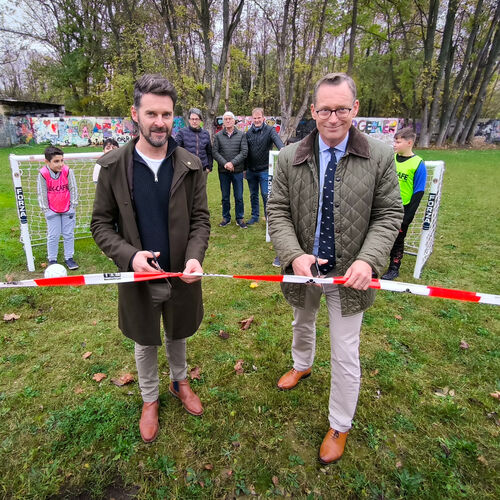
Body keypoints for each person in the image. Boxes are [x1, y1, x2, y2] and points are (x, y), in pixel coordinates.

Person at [267, 72, 403, 464]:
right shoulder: (292, 155)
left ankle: (340, 424)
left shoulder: (378, 155)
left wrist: (369, 260)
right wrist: (295, 254)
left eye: (342, 109)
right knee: (301, 320)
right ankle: (301, 365)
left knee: (345, 351)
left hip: (351, 274)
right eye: (324, 109)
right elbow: (276, 210)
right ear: (313, 110)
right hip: (304, 266)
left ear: (355, 108)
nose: (332, 117)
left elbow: (389, 212)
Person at [91, 74, 210, 443]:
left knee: (178, 331)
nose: (160, 122)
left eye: (167, 114)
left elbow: (201, 220)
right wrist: (129, 257)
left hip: (180, 275)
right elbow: (100, 224)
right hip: (137, 276)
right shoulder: (113, 167)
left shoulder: (190, 165)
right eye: (152, 113)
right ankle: (149, 398)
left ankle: (179, 382)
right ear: (135, 114)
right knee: (145, 338)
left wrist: (193, 258)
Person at [382, 127, 427, 280]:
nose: (394, 144)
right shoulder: (391, 158)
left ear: (409, 143)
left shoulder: (418, 163)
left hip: (403, 208)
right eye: (394, 141)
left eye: (398, 142)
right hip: (385, 204)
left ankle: (394, 267)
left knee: (397, 239)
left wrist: (408, 216)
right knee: (378, 234)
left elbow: (418, 192)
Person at [37, 146, 79, 270]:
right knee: (53, 235)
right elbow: (42, 192)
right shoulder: (43, 174)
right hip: (52, 211)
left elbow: (73, 188)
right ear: (47, 162)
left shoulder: (67, 171)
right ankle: (52, 259)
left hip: (67, 209)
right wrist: (46, 210)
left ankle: (69, 258)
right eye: (56, 161)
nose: (60, 164)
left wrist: (73, 206)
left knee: (68, 234)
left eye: (62, 160)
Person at [245, 108, 284, 225]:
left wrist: (282, 149)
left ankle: (269, 218)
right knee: (253, 194)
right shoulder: (248, 133)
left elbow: (277, 140)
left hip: (265, 169)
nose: (257, 120)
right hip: (251, 169)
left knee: (266, 194)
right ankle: (254, 216)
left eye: (259, 118)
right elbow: (245, 151)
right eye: (255, 118)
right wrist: (244, 169)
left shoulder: (270, 130)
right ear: (252, 118)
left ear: (263, 118)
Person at [212, 111, 248, 228]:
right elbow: (215, 152)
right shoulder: (218, 136)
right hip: (223, 172)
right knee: (225, 197)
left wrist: (232, 163)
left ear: (234, 120)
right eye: (225, 119)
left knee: (239, 196)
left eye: (229, 119)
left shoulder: (241, 135)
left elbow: (244, 152)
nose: (227, 121)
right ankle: (226, 218)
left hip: (237, 171)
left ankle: (240, 218)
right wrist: (225, 164)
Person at [174, 108, 213, 173]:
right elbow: (176, 150)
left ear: (200, 120)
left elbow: (209, 152)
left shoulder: (205, 134)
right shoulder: (182, 133)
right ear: (189, 120)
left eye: (196, 119)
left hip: (202, 169)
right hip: (187, 169)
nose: (194, 121)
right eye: (192, 119)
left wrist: (209, 167)